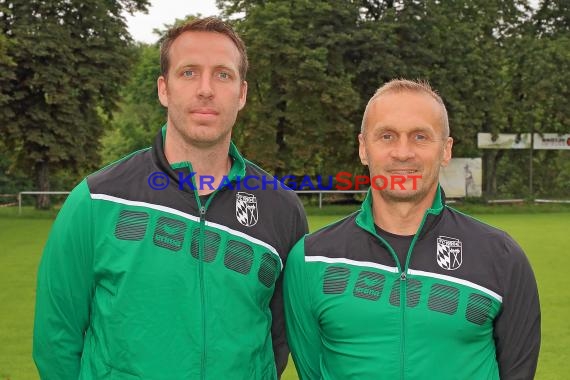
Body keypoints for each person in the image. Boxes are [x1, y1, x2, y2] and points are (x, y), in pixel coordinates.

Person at [33, 17, 308, 379]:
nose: (206, 89)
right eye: (189, 73)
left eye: (223, 75)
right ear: (164, 89)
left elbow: (279, 339)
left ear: (241, 93)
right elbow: (56, 338)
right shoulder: (96, 199)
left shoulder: (281, 208)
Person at [284, 79, 540, 380]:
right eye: (387, 136)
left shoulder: (501, 256)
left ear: (445, 150)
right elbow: (313, 369)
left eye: (420, 136)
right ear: (364, 148)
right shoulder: (311, 260)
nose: (403, 153)